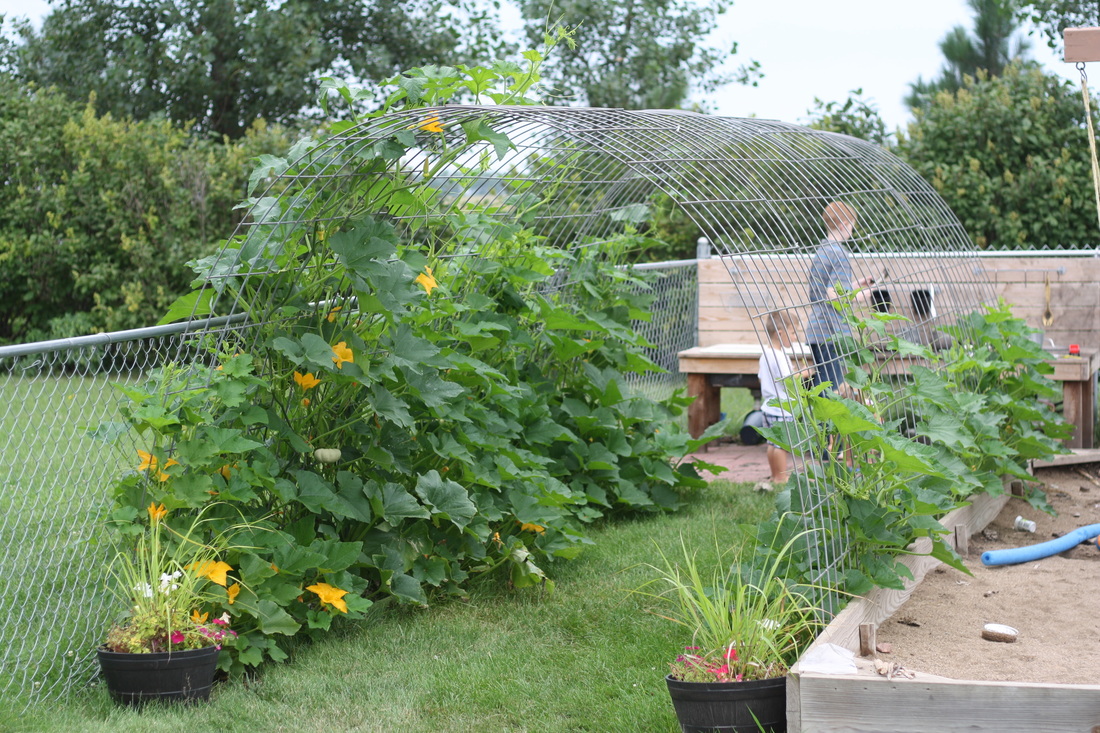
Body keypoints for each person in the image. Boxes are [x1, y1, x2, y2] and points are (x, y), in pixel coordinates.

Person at [804, 201, 874, 395]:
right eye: (851, 225)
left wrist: (854, 285)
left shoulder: (823, 251)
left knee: (824, 385)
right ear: (844, 224)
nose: (852, 230)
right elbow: (834, 295)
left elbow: (827, 289)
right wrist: (860, 296)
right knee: (831, 390)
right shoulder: (840, 254)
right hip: (831, 331)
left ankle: (815, 423)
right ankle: (819, 424)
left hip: (818, 329)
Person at [755, 310, 814, 492]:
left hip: (769, 406)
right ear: (781, 333)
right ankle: (781, 477)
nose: (796, 337)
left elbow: (761, 377)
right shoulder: (780, 356)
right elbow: (789, 379)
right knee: (783, 445)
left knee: (772, 444)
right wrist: (805, 372)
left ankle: (775, 475)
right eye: (794, 332)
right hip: (782, 408)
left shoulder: (766, 354)